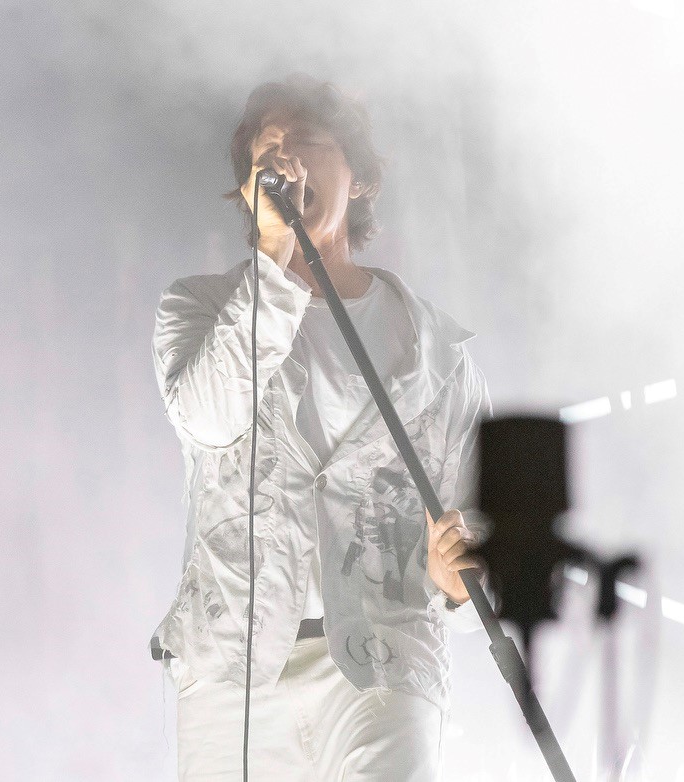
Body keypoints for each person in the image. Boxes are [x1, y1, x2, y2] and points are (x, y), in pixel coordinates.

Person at [150, 74, 492, 780]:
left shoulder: (435, 350)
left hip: (385, 664)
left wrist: (457, 574)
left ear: (359, 180)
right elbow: (212, 416)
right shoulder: (197, 309)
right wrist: (275, 266)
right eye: (266, 152)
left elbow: (480, 522)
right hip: (232, 671)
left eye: (304, 142)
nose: (285, 162)